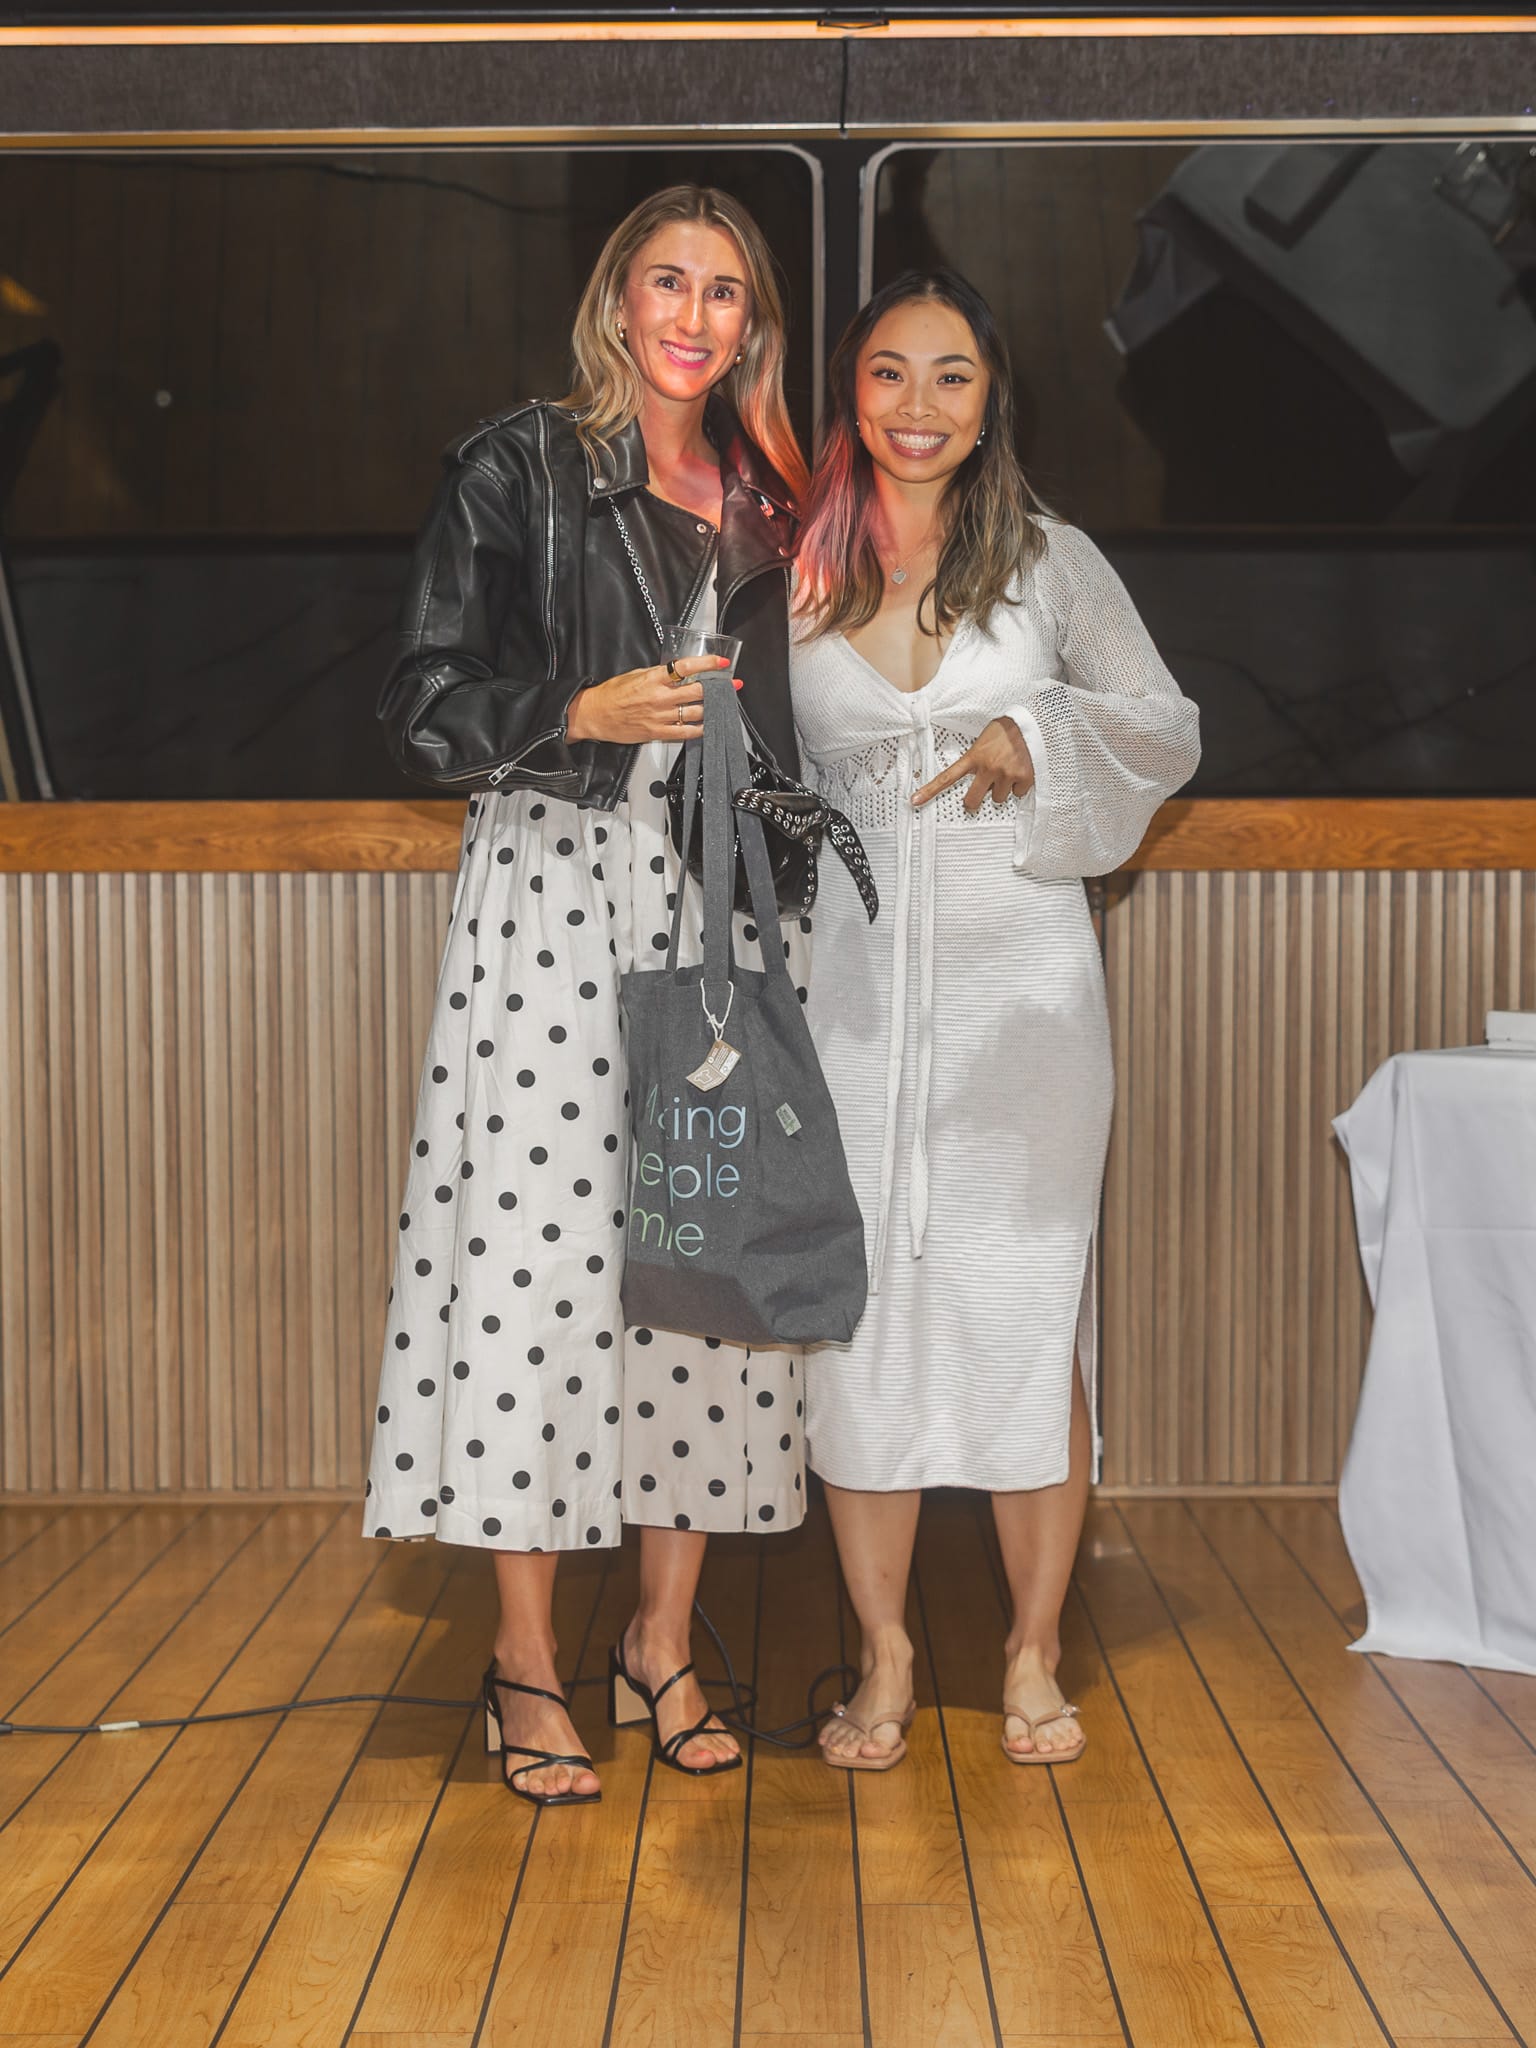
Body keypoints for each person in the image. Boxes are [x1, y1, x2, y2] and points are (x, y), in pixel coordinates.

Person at [365, 186, 810, 1806]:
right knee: (539, 1272)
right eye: (667, 282)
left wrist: (789, 887)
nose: (693, 316)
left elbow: (792, 726)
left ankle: (661, 1640)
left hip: (712, 903)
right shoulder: (517, 464)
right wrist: (579, 710)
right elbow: (420, 703)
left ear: (752, 323)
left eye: (725, 291)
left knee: (702, 1262)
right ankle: (525, 1664)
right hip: (555, 886)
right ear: (617, 297)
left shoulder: (772, 499)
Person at [790, 270, 1200, 1771]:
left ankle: (1032, 1652)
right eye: (889, 373)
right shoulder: (792, 570)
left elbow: (1163, 724)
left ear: (990, 398)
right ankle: (886, 1656)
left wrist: (1038, 729)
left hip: (1025, 1005)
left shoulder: (1050, 561)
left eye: (950, 375)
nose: (918, 405)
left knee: (1027, 1318)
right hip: (847, 1005)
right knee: (857, 1332)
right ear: (851, 392)